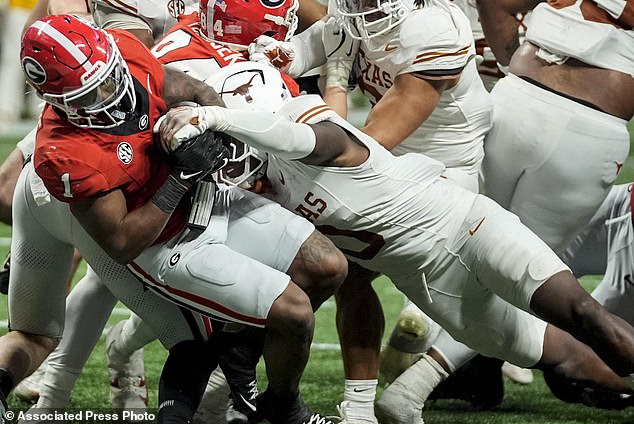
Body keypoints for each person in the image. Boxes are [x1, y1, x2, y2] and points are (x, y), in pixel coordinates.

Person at [157, 60, 634, 424]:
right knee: (563, 355)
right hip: (431, 286)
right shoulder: (264, 175)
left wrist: (218, 119)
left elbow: (300, 140)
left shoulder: (308, 125)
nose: (234, 160)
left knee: (583, 314)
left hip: (467, 229)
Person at [17, 14, 347, 424]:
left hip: (206, 195)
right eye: (90, 92)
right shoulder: (63, 152)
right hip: (165, 242)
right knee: (292, 312)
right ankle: (286, 408)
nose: (109, 92)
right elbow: (121, 243)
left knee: (329, 267)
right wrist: (178, 178)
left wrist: (214, 123)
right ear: (57, 101)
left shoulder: (125, 52)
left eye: (107, 76)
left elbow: (191, 87)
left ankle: (243, 358)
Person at [248, 0, 494, 419]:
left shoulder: (434, 26)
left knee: (518, 335)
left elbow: (369, 145)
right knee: (346, 269)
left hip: (444, 173)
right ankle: (360, 408)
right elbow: (283, 58)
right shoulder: (350, 20)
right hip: (385, 163)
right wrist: (260, 59)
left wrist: (335, 83)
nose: (362, 5)